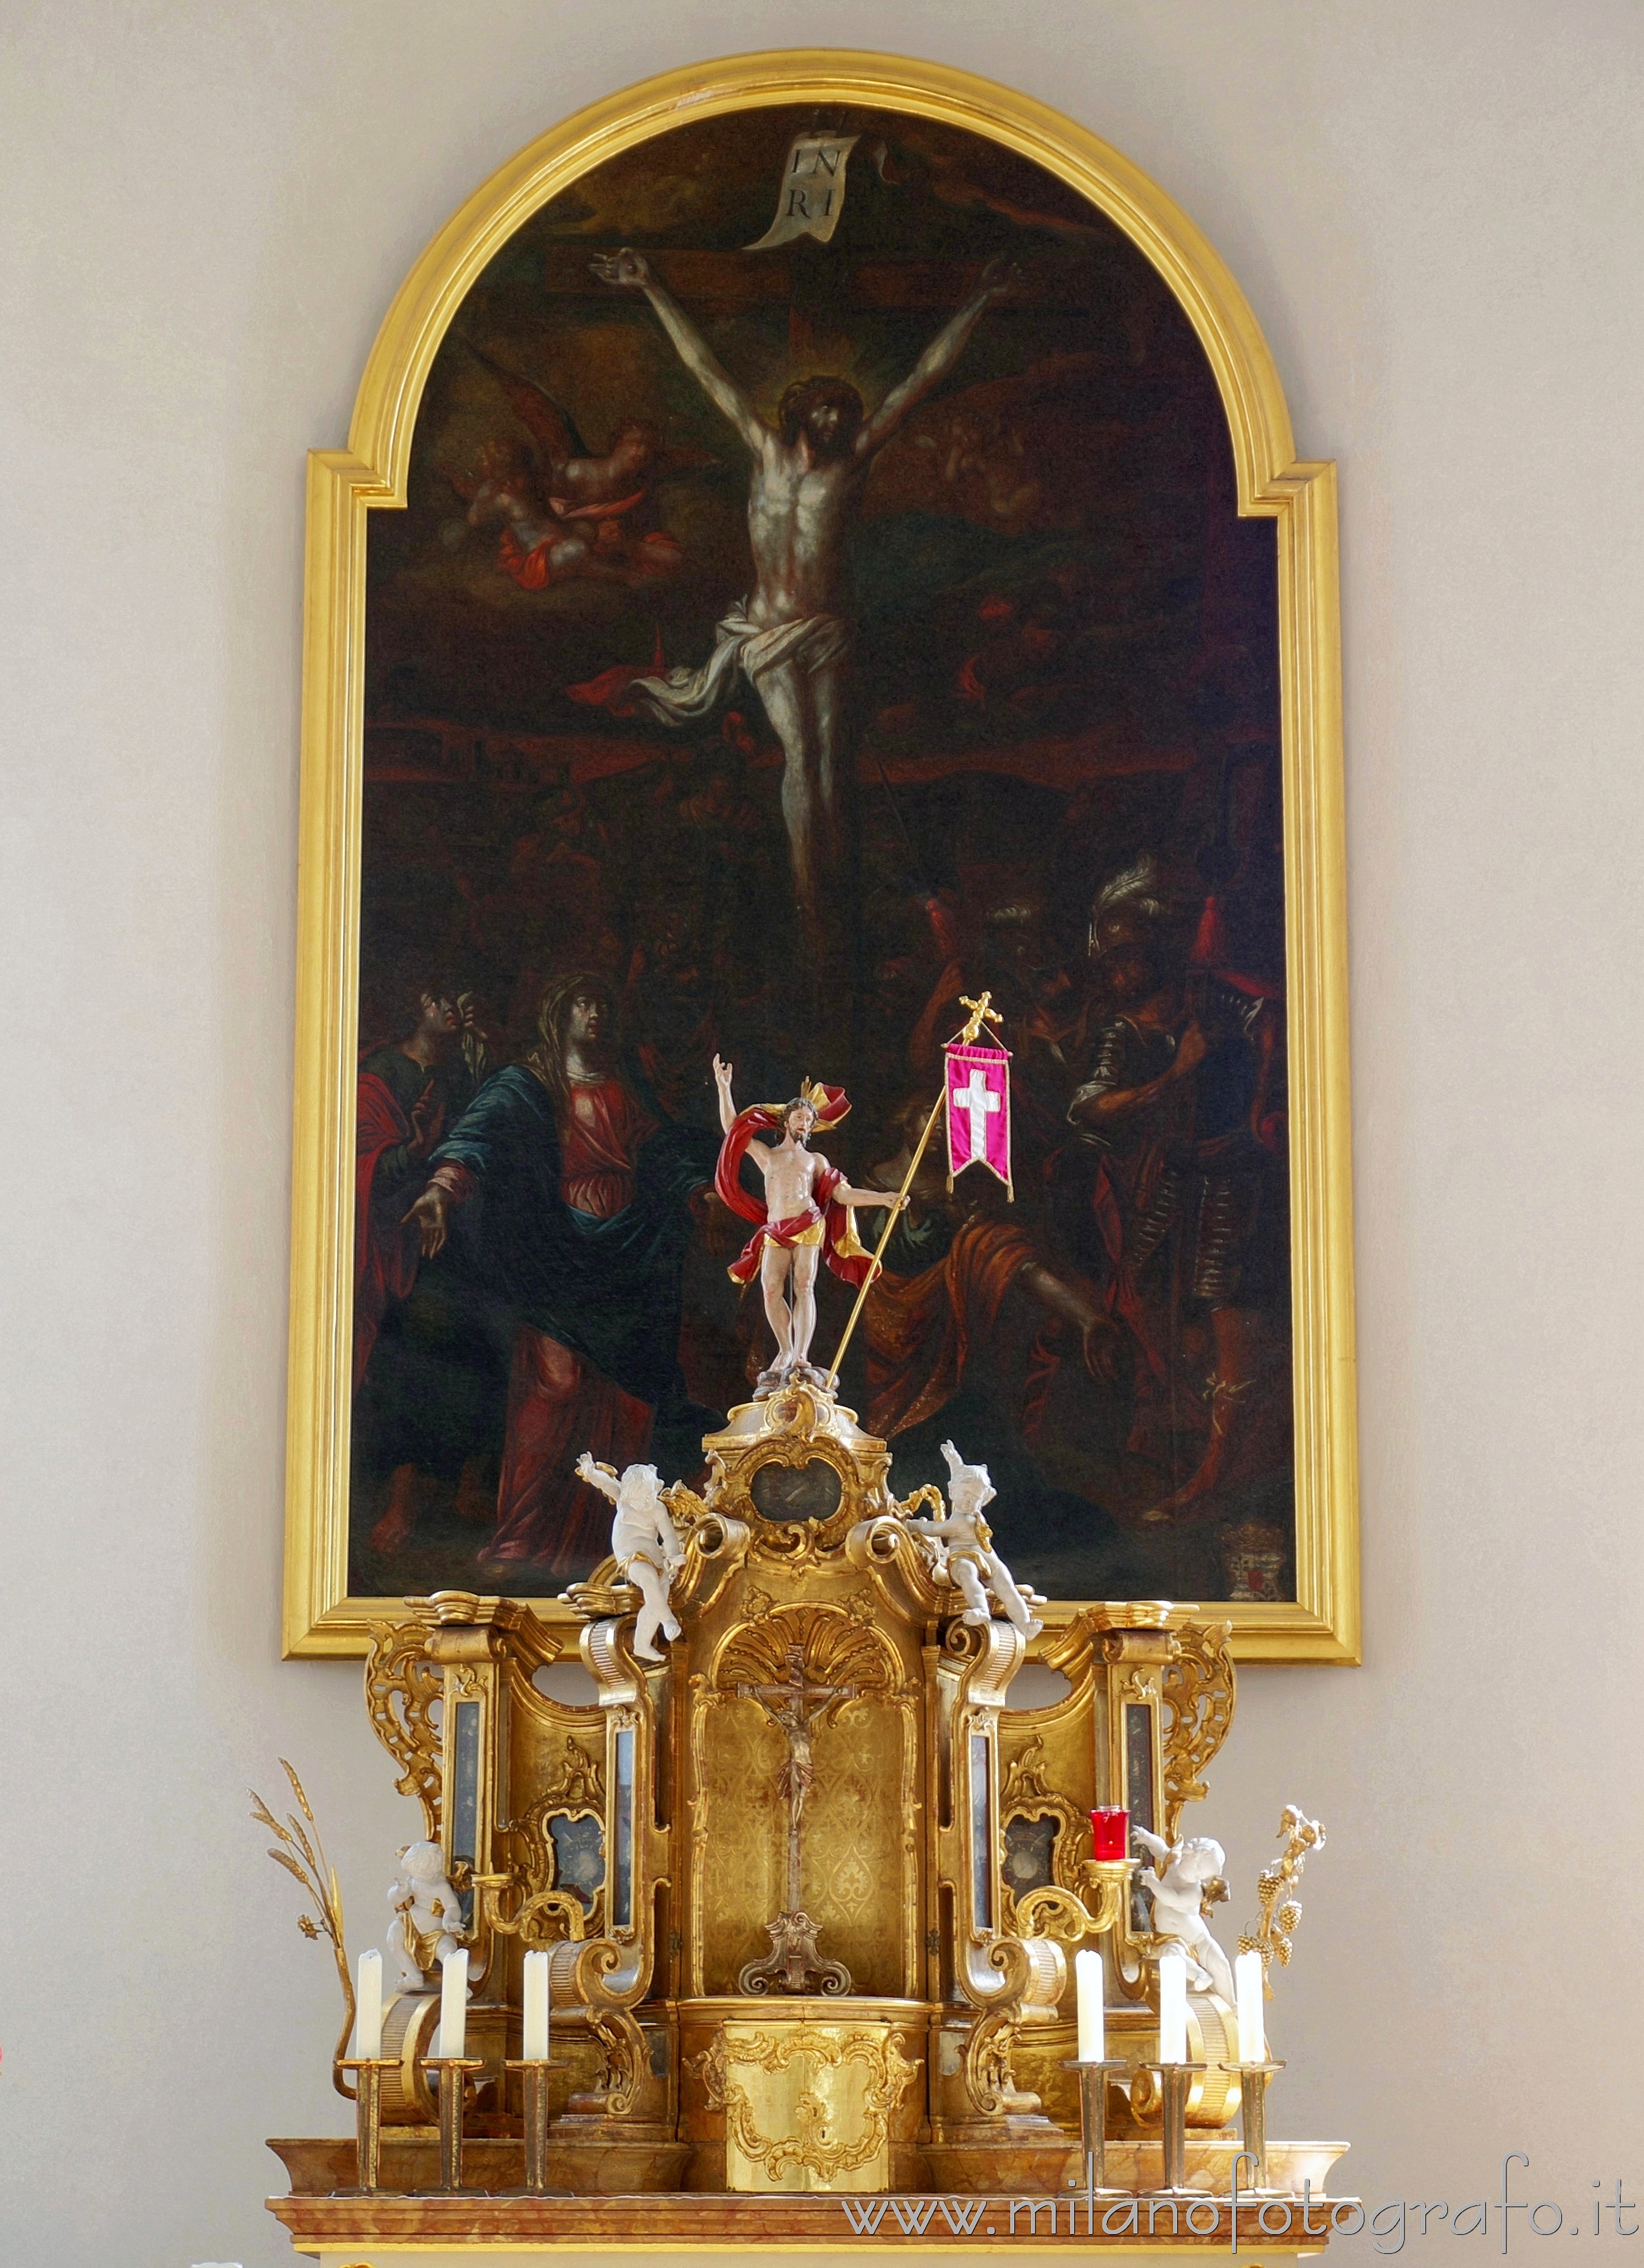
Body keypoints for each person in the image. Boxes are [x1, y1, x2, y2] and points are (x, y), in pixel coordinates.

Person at [583, 247, 1019, 932]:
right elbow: (707, 371)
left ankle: (832, 886)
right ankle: (809, 887)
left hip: (828, 630)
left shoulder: (855, 462)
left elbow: (922, 378)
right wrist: (652, 287)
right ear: (801, 413)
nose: (839, 421)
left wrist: (978, 302)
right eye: (827, 410)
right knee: (800, 755)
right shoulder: (763, 450)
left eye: (846, 413)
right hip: (769, 630)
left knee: (829, 763)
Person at [405, 973, 716, 1575]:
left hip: (627, 1256)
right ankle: (524, 1534)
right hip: (557, 1254)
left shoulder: (627, 1090)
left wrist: (701, 1193)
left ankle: (609, 1540)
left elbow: (664, 1154)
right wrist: (443, 1188)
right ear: (558, 1012)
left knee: (627, 1401)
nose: (594, 1013)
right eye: (581, 1002)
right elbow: (478, 1135)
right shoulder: (527, 1085)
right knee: (556, 1386)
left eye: (603, 1002)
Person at [711, 1054, 905, 1395]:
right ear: (786, 1121)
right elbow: (733, 1130)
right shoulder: (768, 1155)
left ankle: (801, 1355)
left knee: (804, 1286)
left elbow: (842, 1195)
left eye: (809, 1121)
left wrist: (884, 1199)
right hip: (775, 1227)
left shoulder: (815, 1160)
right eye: (800, 1118)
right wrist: (723, 1087)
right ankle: (786, 1349)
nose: (804, 1124)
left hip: (808, 1223)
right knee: (771, 1290)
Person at [354, 976, 478, 1394]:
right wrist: (414, 1149)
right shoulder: (379, 1070)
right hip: (384, 1233)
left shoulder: (459, 1075)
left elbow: (472, 1144)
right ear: (416, 1007)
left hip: (442, 1233)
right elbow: (360, 1163)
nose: (449, 1009)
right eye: (436, 999)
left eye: (454, 1000)